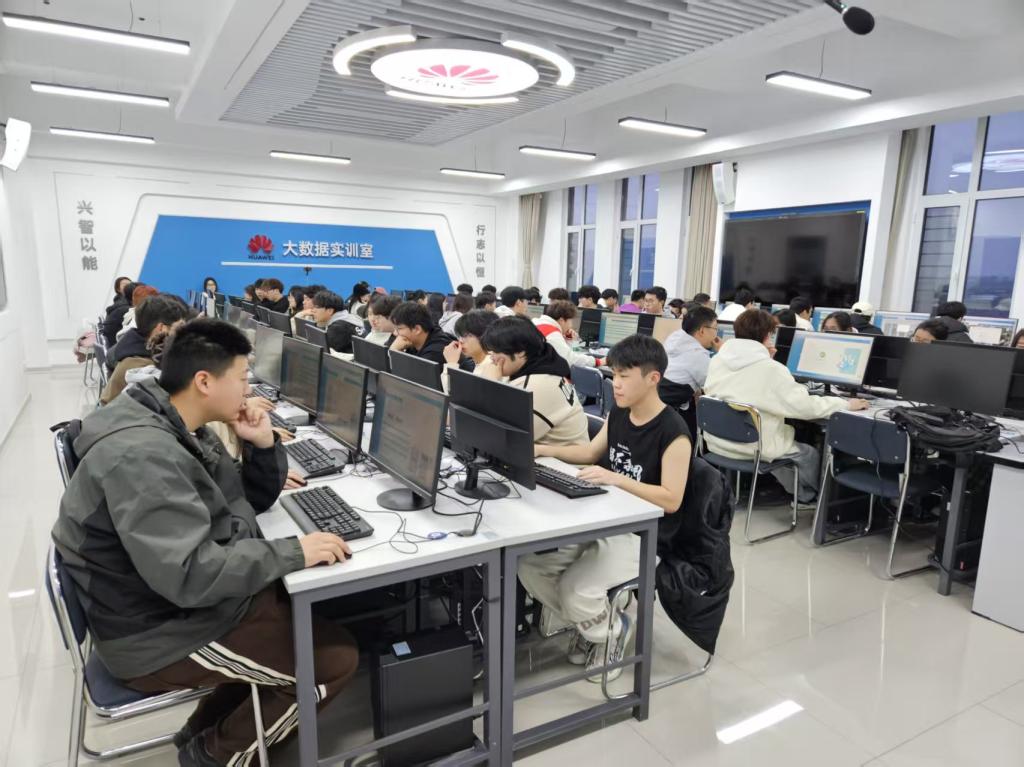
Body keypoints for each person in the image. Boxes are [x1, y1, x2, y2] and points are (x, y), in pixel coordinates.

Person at [52, 318, 359, 767]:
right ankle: (215, 756)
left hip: (158, 603)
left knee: (295, 608)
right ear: (204, 381)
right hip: (157, 631)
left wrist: (261, 444)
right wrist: (295, 551)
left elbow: (237, 501)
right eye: (242, 378)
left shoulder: (172, 421)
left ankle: (203, 732)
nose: (249, 389)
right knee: (331, 663)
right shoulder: (144, 455)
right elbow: (191, 575)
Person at [531, 334, 692, 679]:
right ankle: (592, 621)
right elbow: (590, 453)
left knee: (576, 590)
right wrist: (543, 449)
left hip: (645, 536)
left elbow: (672, 499)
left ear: (653, 378)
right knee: (530, 567)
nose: (614, 383)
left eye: (624, 376)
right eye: (614, 374)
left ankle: (611, 632)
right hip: (607, 519)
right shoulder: (620, 412)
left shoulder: (674, 432)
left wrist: (617, 479)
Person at [703, 309, 868, 504]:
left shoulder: (717, 360)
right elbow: (805, 407)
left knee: (784, 442)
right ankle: (808, 499)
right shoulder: (771, 369)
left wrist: (766, 359)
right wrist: (845, 404)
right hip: (754, 447)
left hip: (718, 442)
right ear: (767, 336)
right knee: (809, 454)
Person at [482, 317, 588, 445]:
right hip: (540, 452)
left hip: (560, 458)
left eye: (496, 352)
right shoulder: (542, 364)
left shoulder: (538, 386)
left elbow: (500, 438)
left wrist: (489, 385)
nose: (492, 358)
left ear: (520, 352)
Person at [101, 295, 191, 405]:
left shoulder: (131, 348)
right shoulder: (143, 367)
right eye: (178, 328)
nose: (182, 334)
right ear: (161, 329)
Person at [663, 306, 720, 392]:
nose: (716, 333)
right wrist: (722, 351)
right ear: (702, 331)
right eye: (715, 328)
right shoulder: (698, 355)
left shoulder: (674, 338)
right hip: (676, 400)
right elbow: (717, 385)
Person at [533, 300, 600, 369]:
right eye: (570, 321)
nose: (571, 325)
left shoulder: (536, 322)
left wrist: (568, 340)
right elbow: (571, 360)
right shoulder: (552, 334)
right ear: (561, 320)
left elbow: (564, 352)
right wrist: (597, 361)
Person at [390, 301, 460, 365]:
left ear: (417, 329)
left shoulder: (434, 353)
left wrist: (393, 351)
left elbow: (408, 373)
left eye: (399, 328)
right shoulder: (415, 341)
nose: (395, 333)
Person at [443, 309, 501, 381]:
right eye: (461, 335)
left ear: (486, 335)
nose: (461, 341)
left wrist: (451, 364)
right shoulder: (479, 363)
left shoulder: (492, 365)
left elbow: (452, 388)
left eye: (468, 335)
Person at [312, 290, 365, 354]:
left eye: (316, 307)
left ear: (330, 311)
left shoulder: (338, 328)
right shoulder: (346, 318)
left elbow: (319, 351)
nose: (313, 311)